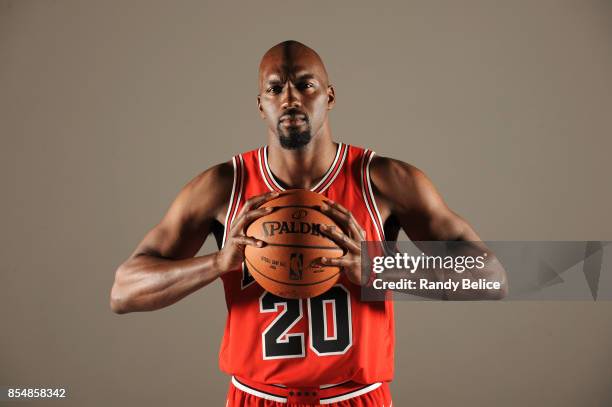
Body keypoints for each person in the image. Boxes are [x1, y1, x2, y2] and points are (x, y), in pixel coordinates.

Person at [110, 40, 508, 406]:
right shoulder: (222, 187)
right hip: (255, 396)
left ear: (329, 96)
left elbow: (492, 277)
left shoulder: (384, 181)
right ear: (260, 104)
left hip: (357, 396)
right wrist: (217, 263)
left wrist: (378, 268)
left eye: (305, 85)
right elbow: (123, 291)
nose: (290, 99)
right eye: (275, 88)